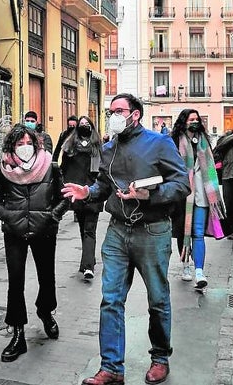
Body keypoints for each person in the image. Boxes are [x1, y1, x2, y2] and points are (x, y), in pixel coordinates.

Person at [62, 93, 190, 385]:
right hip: (118, 231)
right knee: (110, 300)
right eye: (110, 112)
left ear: (135, 115)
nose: (113, 116)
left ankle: (160, 358)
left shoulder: (159, 143)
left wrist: (152, 195)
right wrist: (88, 192)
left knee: (157, 299)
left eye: (119, 111)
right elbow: (104, 184)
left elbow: (182, 183)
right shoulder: (108, 148)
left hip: (153, 231)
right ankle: (111, 368)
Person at [0, 124, 69, 362]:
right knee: (15, 283)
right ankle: (17, 333)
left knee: (47, 278)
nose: (24, 148)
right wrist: (8, 217)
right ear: (11, 146)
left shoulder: (50, 166)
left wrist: (51, 217)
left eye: (28, 143)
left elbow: (64, 198)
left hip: (44, 231)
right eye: (19, 144)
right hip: (14, 233)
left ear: (36, 144)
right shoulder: (5, 169)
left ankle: (45, 312)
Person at [170, 109, 226, 290]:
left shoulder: (204, 141)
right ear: (183, 122)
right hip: (182, 194)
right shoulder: (175, 141)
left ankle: (200, 272)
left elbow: (210, 169)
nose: (194, 122)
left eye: (196, 119)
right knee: (182, 231)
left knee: (198, 232)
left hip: (203, 194)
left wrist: (213, 191)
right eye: (190, 119)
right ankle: (186, 266)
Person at [60, 116, 103, 280]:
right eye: (82, 124)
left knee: (89, 230)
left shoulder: (98, 147)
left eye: (87, 124)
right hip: (77, 193)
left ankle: (88, 266)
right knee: (84, 229)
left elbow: (103, 170)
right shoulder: (70, 146)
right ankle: (87, 261)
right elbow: (63, 168)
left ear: (92, 127)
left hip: (93, 193)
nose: (84, 126)